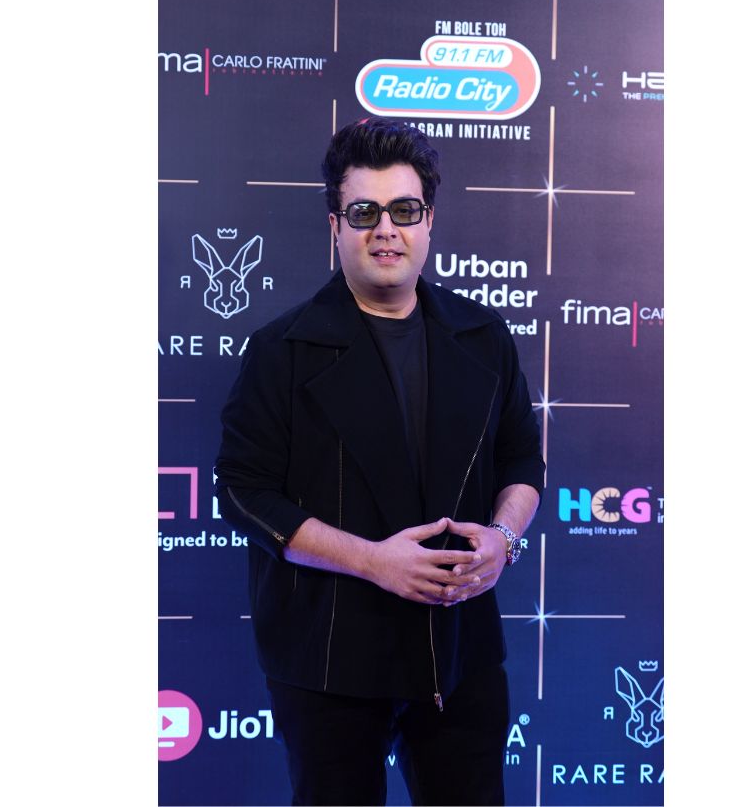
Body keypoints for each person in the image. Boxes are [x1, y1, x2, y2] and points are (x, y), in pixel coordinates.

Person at [216, 118, 544, 806]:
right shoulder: (281, 350)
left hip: (461, 652)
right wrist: (372, 561)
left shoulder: (484, 337)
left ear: (429, 221)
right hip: (327, 659)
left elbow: (521, 459)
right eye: (365, 212)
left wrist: (504, 538)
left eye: (404, 210)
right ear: (336, 225)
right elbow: (244, 492)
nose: (386, 230)